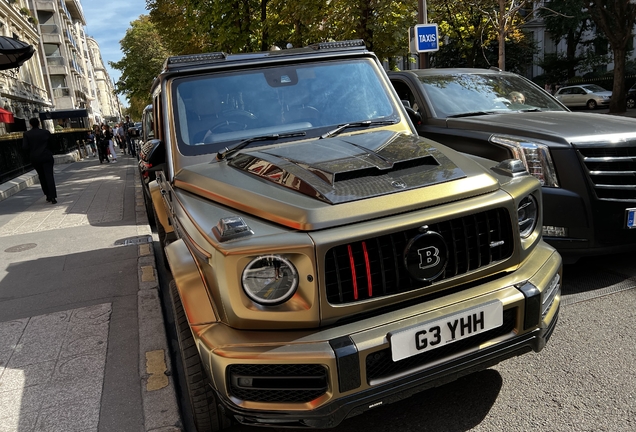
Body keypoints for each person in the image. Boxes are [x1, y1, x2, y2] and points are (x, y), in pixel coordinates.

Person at [22, 117, 57, 204]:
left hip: (35, 158)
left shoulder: (27, 134)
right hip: (46, 156)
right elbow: (53, 144)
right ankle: (53, 197)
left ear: (30, 124)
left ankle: (47, 195)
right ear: (39, 123)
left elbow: (25, 147)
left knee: (41, 176)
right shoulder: (45, 132)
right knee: (49, 176)